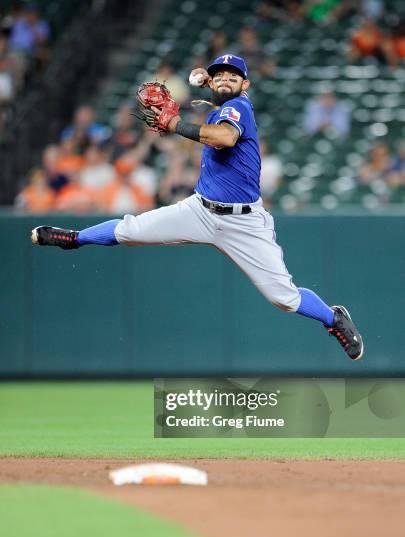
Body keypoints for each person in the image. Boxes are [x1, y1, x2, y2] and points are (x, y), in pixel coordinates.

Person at [31, 54, 363, 360]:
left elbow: (223, 138)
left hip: (244, 223)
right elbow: (217, 95)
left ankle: (334, 318)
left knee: (284, 298)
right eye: (220, 74)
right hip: (199, 211)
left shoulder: (240, 108)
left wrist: (175, 124)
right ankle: (74, 239)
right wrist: (206, 79)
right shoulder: (221, 101)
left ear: (246, 84)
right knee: (129, 230)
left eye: (234, 76)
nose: (225, 79)